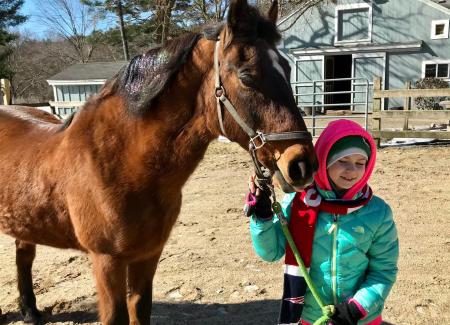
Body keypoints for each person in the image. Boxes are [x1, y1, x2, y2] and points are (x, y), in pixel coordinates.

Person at [245, 119, 399, 325]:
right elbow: (270, 252)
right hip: (311, 317)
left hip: (359, 318)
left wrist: (356, 308)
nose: (352, 171)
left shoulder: (377, 212)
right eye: (342, 161)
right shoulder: (298, 204)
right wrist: (263, 215)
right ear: (324, 160)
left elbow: (383, 270)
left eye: (360, 163)